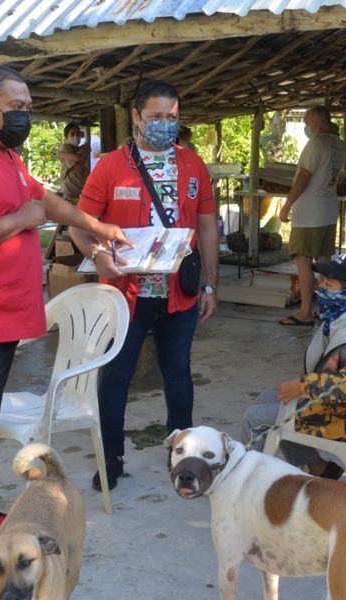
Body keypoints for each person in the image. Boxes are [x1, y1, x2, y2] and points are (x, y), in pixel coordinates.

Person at [0, 65, 128, 582]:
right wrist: (22, 221)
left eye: (29, 106)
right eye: (17, 106)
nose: (25, 115)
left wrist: (96, 224)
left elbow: (43, 200)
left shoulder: (3, 153)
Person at [69, 79, 218, 492]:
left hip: (180, 293)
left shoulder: (193, 165)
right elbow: (78, 226)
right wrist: (99, 255)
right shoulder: (111, 167)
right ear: (136, 117)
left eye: (172, 118)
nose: (165, 125)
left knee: (178, 373)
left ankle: (183, 454)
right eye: (156, 117)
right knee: (116, 376)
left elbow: (206, 226)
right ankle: (112, 456)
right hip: (125, 295)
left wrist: (210, 283)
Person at [241, 253, 346, 477]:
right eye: (323, 280)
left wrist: (303, 386)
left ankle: (250, 483)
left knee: (255, 418)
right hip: (341, 407)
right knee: (271, 400)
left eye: (330, 282)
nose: (322, 287)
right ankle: (320, 469)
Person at [278, 106, 346, 327]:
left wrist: (287, 204)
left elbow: (304, 176)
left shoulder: (316, 143)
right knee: (324, 261)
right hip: (327, 210)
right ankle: (325, 308)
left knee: (304, 261)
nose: (306, 126)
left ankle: (305, 312)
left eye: (307, 122)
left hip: (309, 213)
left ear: (317, 121)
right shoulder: (339, 144)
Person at [57, 122, 90, 203]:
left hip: (80, 191)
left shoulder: (79, 149)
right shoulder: (65, 147)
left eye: (78, 134)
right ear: (66, 136)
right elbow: (78, 167)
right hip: (69, 193)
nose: (76, 136)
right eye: (72, 134)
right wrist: (84, 151)